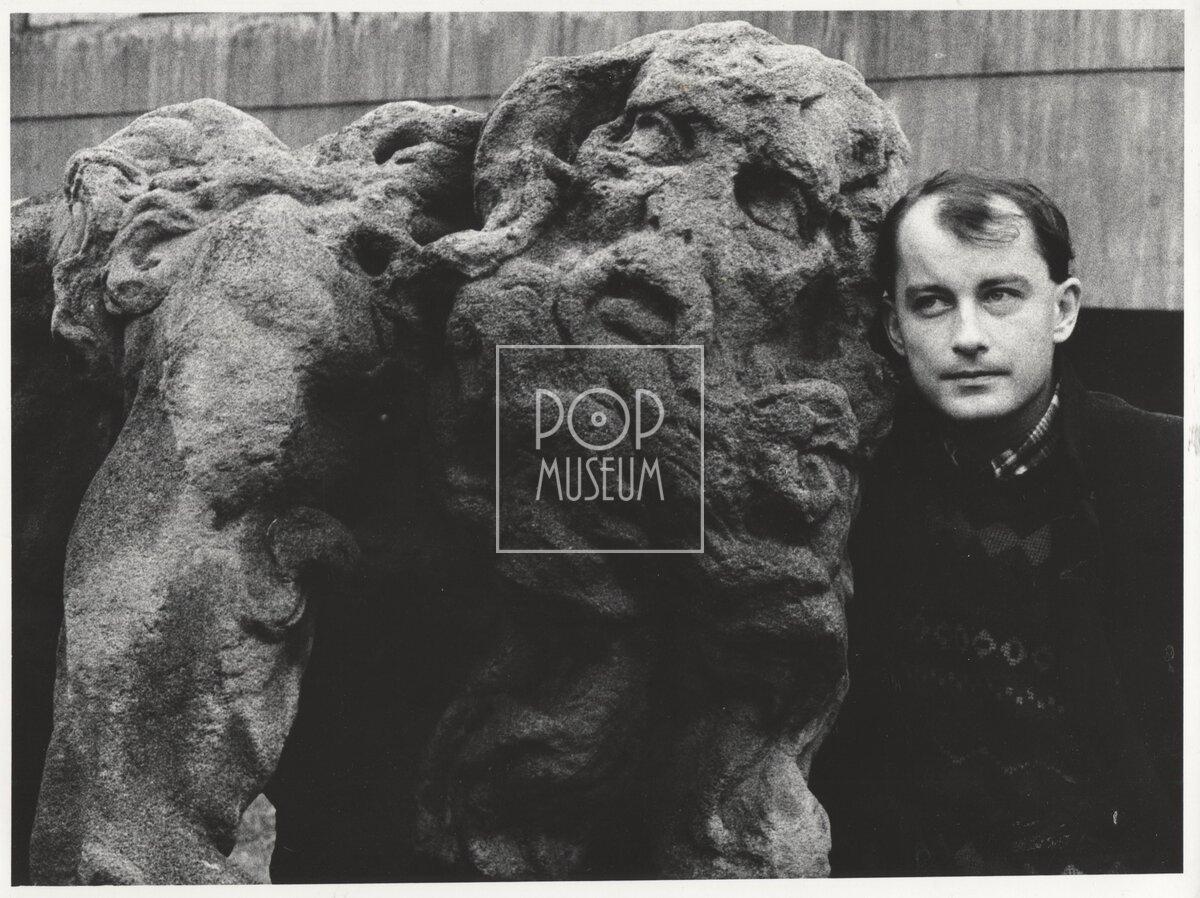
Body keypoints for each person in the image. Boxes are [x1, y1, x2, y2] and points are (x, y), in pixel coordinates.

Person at [811, 170, 1183, 876]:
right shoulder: (859, 485)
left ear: (1062, 310)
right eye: (931, 303)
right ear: (893, 328)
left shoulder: (1166, 475)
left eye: (1000, 295)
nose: (968, 337)